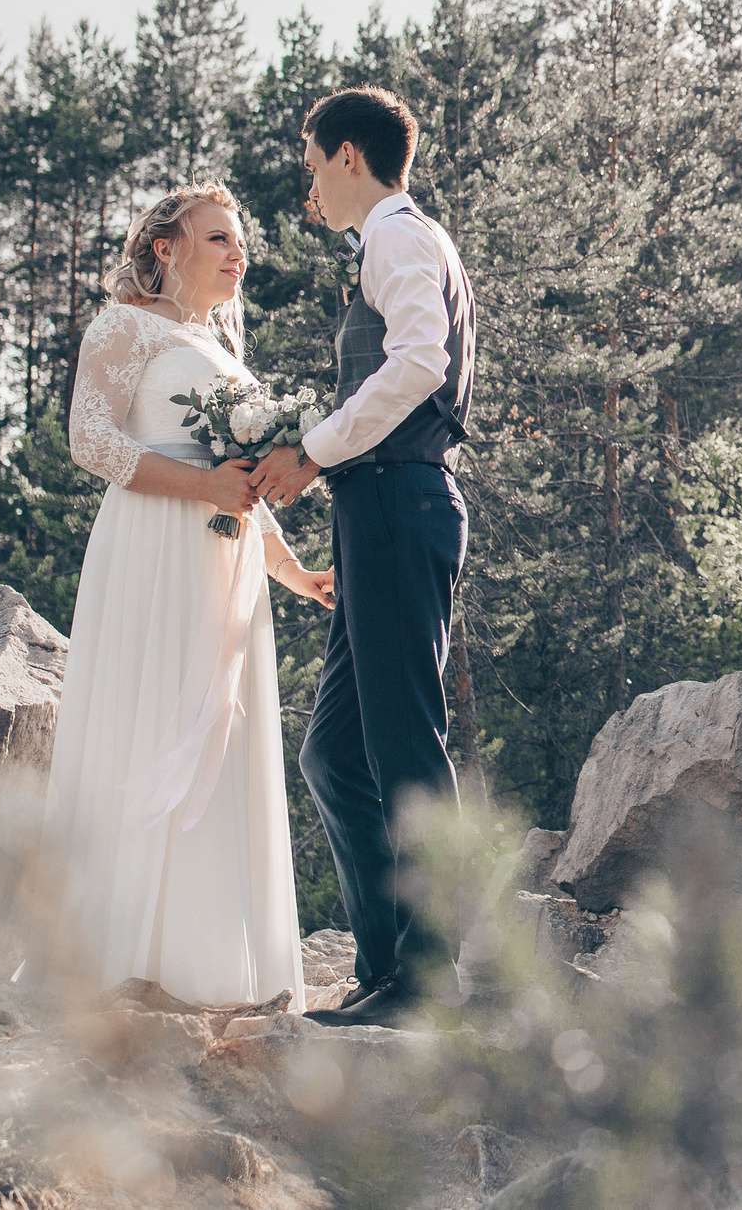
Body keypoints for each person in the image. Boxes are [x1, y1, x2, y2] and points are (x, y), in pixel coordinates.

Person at [44, 185, 332, 1008]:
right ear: (165, 248)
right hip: (151, 547)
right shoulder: (123, 326)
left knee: (218, 740)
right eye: (218, 239)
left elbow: (244, 490)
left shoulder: (221, 348)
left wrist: (296, 571)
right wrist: (204, 486)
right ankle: (115, 957)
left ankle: (209, 966)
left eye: (240, 243)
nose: (238, 254)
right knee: (147, 722)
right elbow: (90, 439)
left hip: (222, 563)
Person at [252, 87, 476, 1028]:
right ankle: (386, 966)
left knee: (403, 743)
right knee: (335, 749)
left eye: (311, 163)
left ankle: (427, 983)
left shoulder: (397, 235)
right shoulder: (397, 241)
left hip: (393, 498)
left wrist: (312, 449)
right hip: (375, 508)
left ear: (350, 155)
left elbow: (420, 361)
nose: (309, 183)